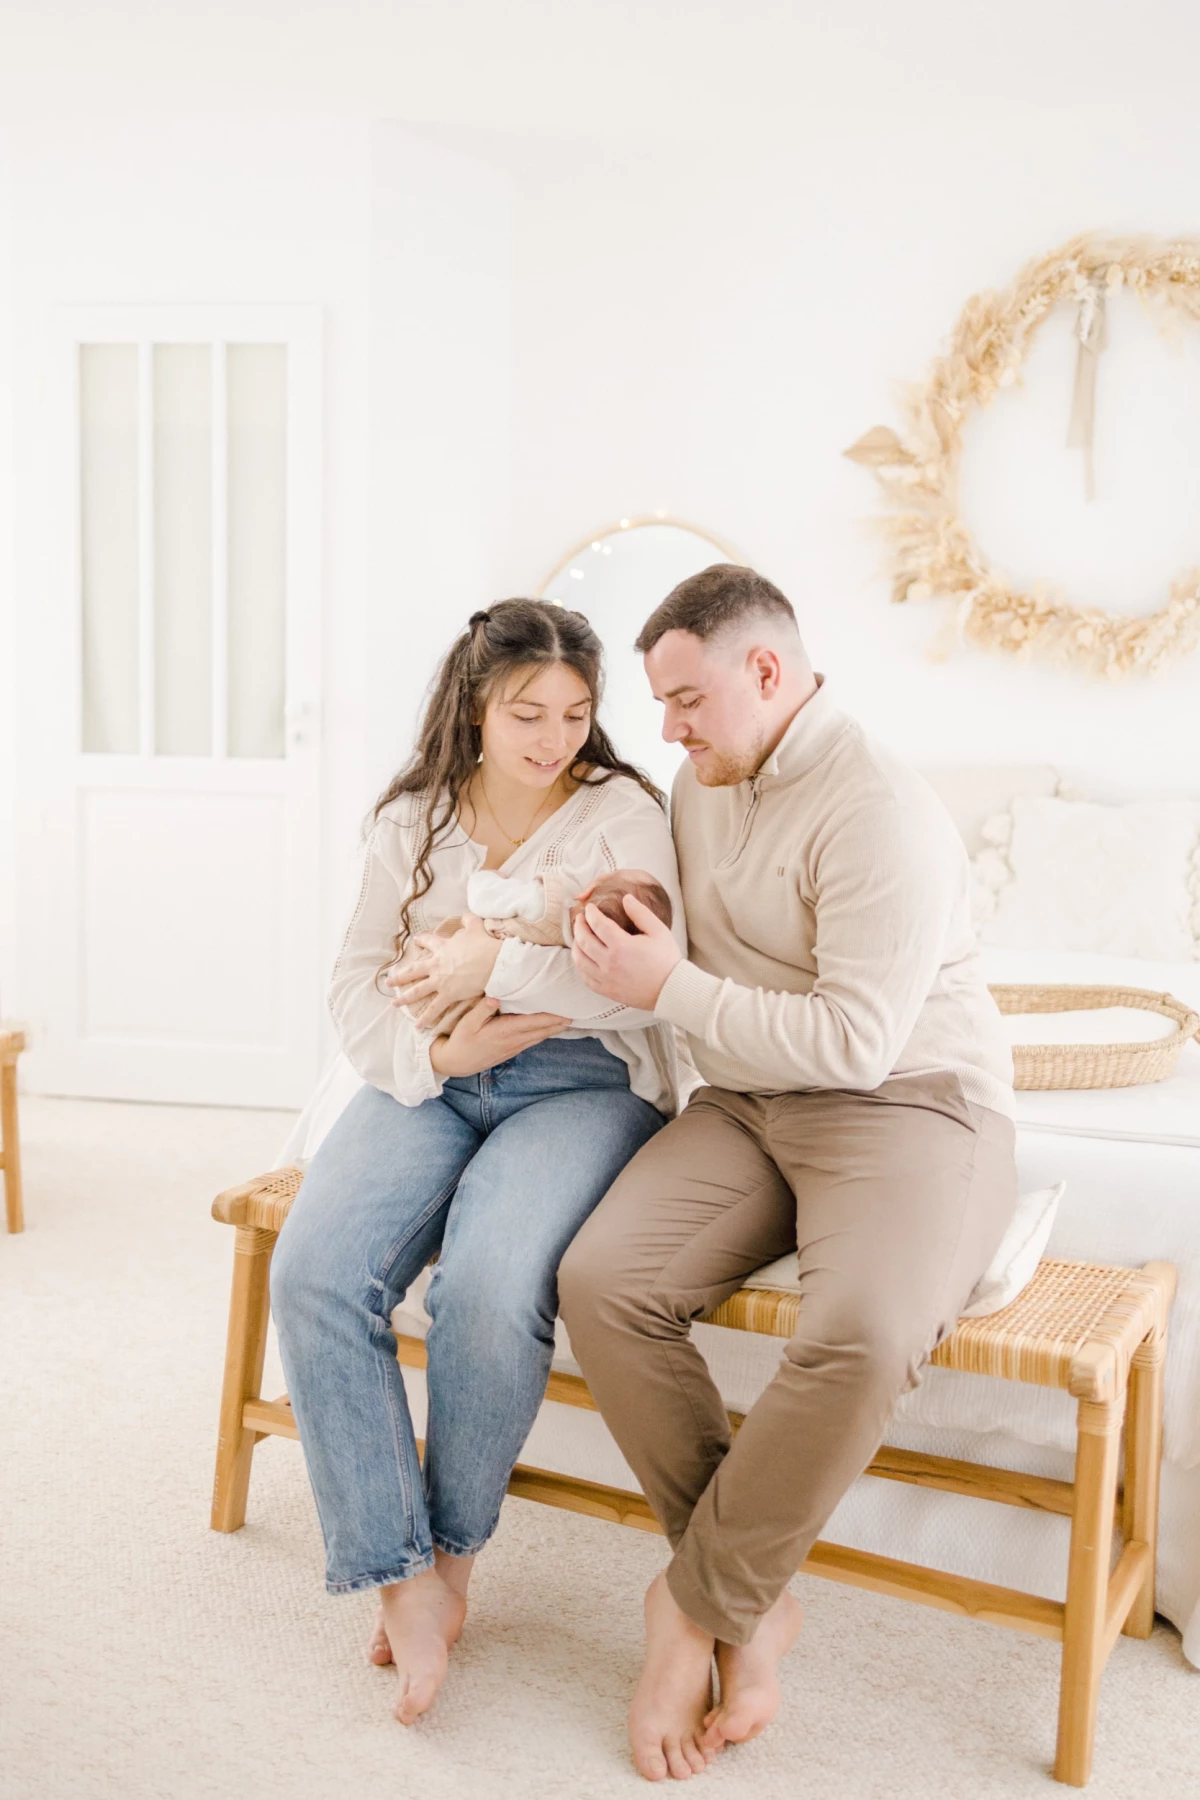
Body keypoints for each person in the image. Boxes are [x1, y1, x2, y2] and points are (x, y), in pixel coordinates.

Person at [560, 564, 1018, 1783]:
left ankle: (693, 1606)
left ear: (767, 671)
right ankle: (755, 1605)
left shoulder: (882, 813)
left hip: (909, 1102)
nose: (668, 730)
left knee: (865, 1333)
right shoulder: (704, 784)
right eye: (660, 705)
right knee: (603, 1281)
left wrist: (669, 987)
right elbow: (700, 948)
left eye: (686, 699)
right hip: (753, 1100)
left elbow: (856, 1043)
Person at [270, 599, 687, 1729]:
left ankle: (453, 1557)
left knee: (493, 1287)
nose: (553, 737)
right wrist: (439, 1041)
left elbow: (633, 976)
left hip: (581, 1083)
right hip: (432, 1075)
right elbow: (358, 988)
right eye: (526, 713)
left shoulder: (624, 815)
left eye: (575, 713)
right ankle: (397, 1568)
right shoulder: (412, 818)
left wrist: (487, 965)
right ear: (474, 705)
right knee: (312, 1271)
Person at [465, 864, 674, 944]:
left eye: (615, 872)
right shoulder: (574, 953)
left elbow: (481, 896)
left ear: (587, 892)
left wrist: (489, 876)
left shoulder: (542, 902)